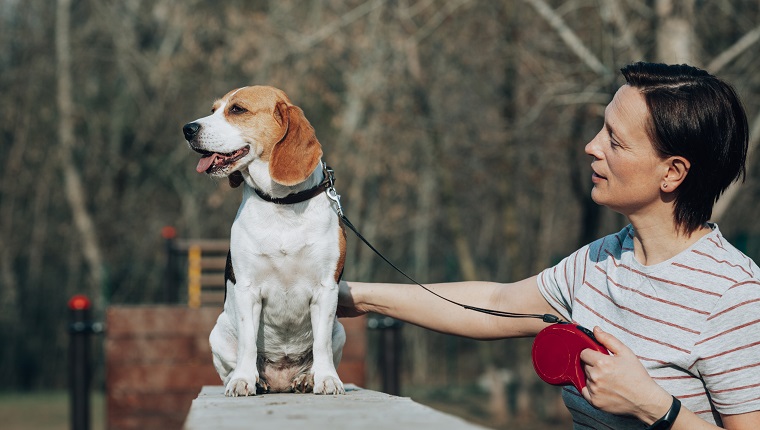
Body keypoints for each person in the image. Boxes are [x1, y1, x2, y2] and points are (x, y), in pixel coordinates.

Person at [337, 62, 760, 429]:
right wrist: (353, 297)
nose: (591, 146)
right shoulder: (601, 260)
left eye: (614, 140)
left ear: (672, 173)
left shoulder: (734, 297)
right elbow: (493, 304)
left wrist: (654, 408)